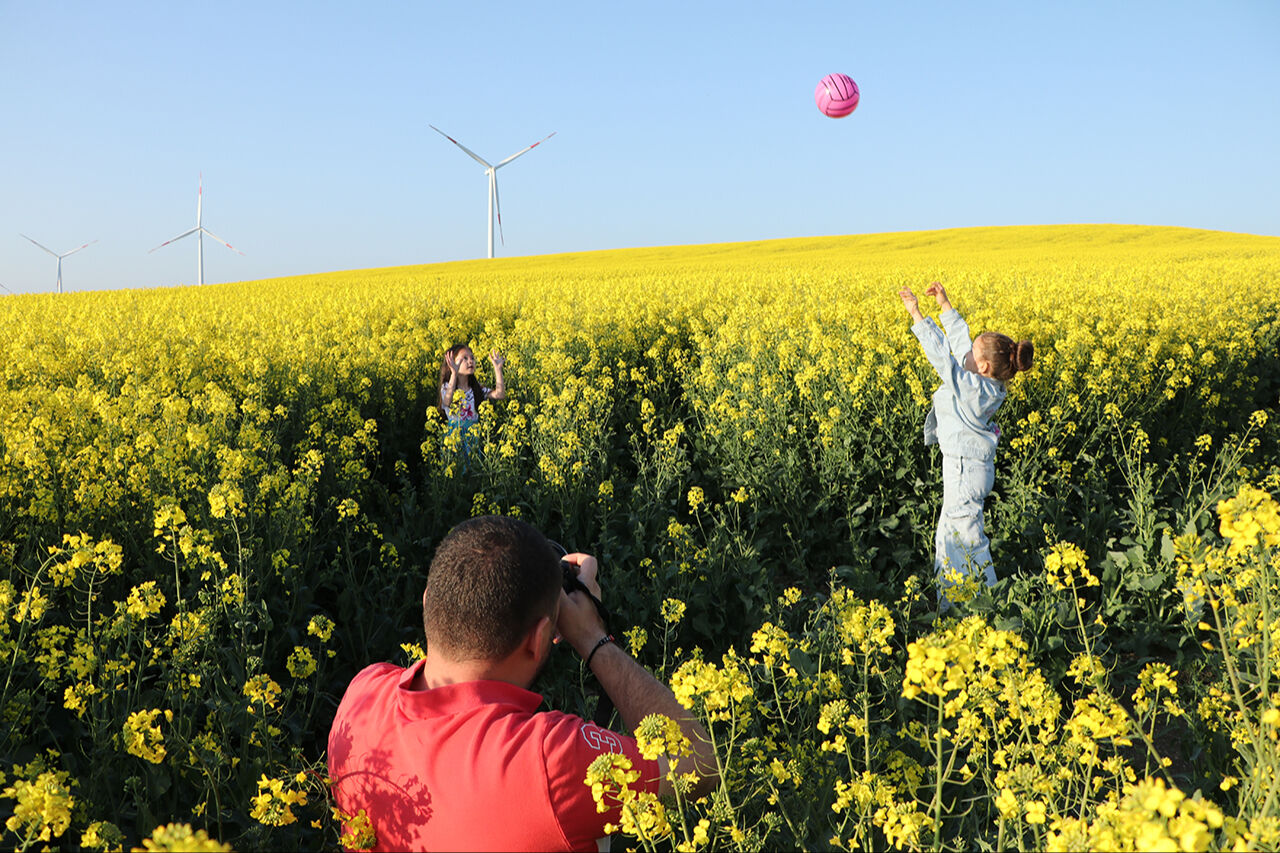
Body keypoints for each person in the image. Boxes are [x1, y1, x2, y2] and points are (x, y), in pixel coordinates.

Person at [327, 515, 719, 852]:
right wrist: (592, 637)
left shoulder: (362, 694)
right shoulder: (550, 761)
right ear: (539, 638)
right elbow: (701, 765)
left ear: (428, 600)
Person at [899, 282, 1033, 610]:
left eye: (974, 356)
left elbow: (945, 360)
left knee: (969, 541)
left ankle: (987, 606)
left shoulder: (975, 389)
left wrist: (917, 315)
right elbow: (960, 347)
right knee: (948, 535)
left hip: (964, 471)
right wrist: (944, 306)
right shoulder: (986, 382)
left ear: (983, 367)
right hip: (966, 468)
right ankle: (951, 605)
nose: (967, 358)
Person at [438, 343, 506, 467]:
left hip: (474, 437)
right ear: (451, 363)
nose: (470, 361)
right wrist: (454, 374)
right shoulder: (448, 387)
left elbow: (500, 394)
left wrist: (498, 369)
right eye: (465, 358)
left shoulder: (476, 389)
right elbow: (447, 402)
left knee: (473, 472)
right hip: (455, 438)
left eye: (472, 358)